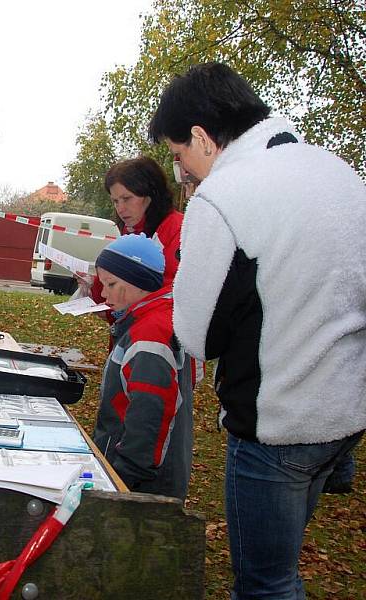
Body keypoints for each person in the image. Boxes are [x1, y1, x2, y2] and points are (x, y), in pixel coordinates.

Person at [149, 62, 366, 599]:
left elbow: (197, 336)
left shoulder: (224, 197)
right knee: (283, 564)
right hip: (344, 416)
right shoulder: (337, 171)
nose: (183, 174)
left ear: (201, 136)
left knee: (267, 584)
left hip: (278, 425)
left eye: (178, 157)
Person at [91, 234, 193, 501]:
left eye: (111, 284)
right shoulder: (146, 321)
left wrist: (121, 477)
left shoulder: (150, 334)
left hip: (141, 487)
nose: (103, 293)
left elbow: (149, 418)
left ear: (139, 282)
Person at [85, 156, 183, 305]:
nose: (120, 209)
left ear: (151, 195)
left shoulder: (178, 230)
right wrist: (93, 287)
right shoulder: (130, 232)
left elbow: (171, 295)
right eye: (115, 201)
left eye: (127, 198)